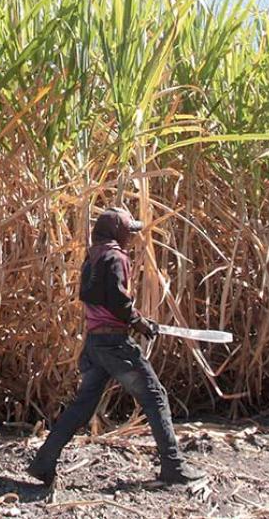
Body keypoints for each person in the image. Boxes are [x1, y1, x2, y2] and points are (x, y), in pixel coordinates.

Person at [28, 207, 205, 486]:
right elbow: (117, 302)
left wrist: (134, 320)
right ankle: (173, 466)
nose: (132, 237)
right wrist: (139, 322)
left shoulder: (93, 257)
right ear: (117, 232)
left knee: (82, 407)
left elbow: (96, 298)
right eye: (128, 231)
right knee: (155, 397)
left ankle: (43, 462)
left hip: (96, 344)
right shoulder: (115, 257)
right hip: (114, 344)